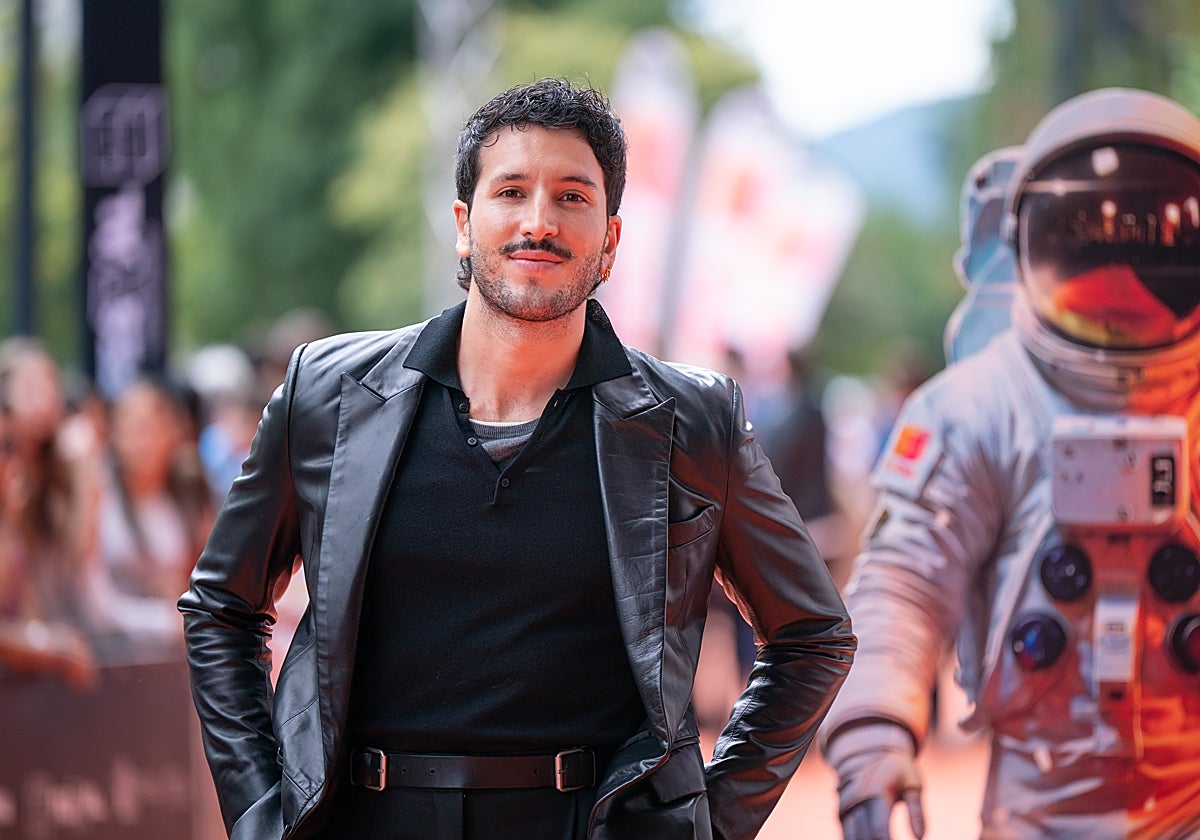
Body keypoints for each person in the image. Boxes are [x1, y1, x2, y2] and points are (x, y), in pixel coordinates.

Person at [179, 77, 855, 840]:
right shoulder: (326, 396)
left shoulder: (693, 423)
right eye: (512, 192)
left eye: (573, 196)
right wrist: (263, 814)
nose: (540, 221)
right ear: (465, 224)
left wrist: (708, 823)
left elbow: (812, 636)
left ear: (611, 238)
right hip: (364, 818)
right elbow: (222, 609)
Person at [820, 87, 1200, 840]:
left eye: (1150, 246)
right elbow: (903, 582)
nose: (1119, 284)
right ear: (1024, 246)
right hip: (1037, 806)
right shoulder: (978, 407)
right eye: (1089, 245)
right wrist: (874, 734)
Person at [99, 373, 215, 603]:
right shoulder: (97, 491)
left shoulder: (189, 487)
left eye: (152, 428)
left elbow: (210, 571)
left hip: (178, 625)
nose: (144, 442)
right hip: (110, 633)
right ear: (113, 434)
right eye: (133, 429)